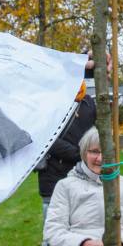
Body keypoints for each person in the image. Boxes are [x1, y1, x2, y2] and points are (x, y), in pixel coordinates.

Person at [45, 127, 123, 246]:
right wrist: (83, 244)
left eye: (106, 152)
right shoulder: (65, 186)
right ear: (84, 153)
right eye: (94, 151)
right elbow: (53, 230)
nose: (100, 158)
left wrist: (121, 244)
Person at [39, 83, 97, 220]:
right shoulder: (49, 102)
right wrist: (80, 154)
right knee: (54, 226)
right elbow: (46, 138)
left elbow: (95, 132)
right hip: (54, 175)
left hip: (84, 173)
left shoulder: (88, 101)